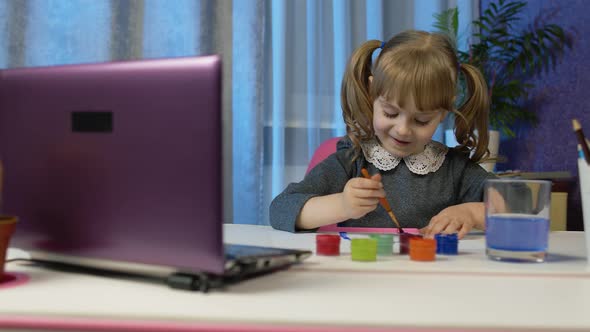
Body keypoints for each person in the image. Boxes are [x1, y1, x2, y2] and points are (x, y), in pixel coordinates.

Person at [270, 30, 496, 239]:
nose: (403, 129)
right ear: (371, 94)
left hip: (430, 278)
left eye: (421, 120)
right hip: (363, 276)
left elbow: (519, 207)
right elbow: (281, 208)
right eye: (390, 113)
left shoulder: (454, 170)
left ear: (443, 113)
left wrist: (472, 213)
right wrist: (343, 205)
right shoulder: (351, 161)